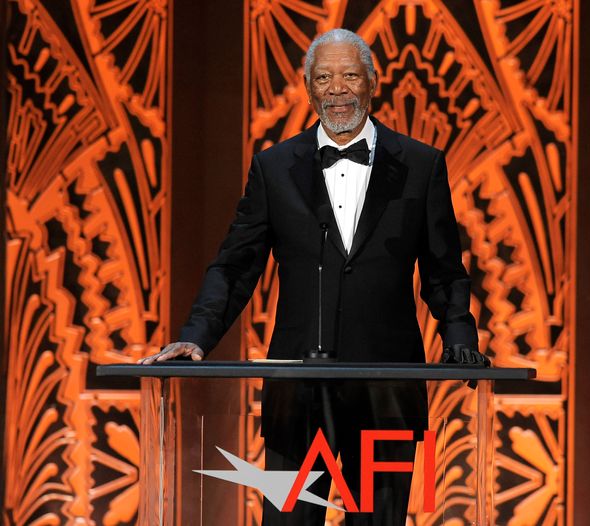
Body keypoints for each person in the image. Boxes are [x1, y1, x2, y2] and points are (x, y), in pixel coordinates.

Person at [139, 28, 489, 525]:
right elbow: (236, 265)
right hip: (298, 392)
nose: (337, 89)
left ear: (371, 81)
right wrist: (196, 337)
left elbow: (443, 269)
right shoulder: (274, 167)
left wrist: (459, 339)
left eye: (349, 75)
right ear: (308, 87)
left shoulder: (421, 164)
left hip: (389, 388)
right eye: (324, 77)